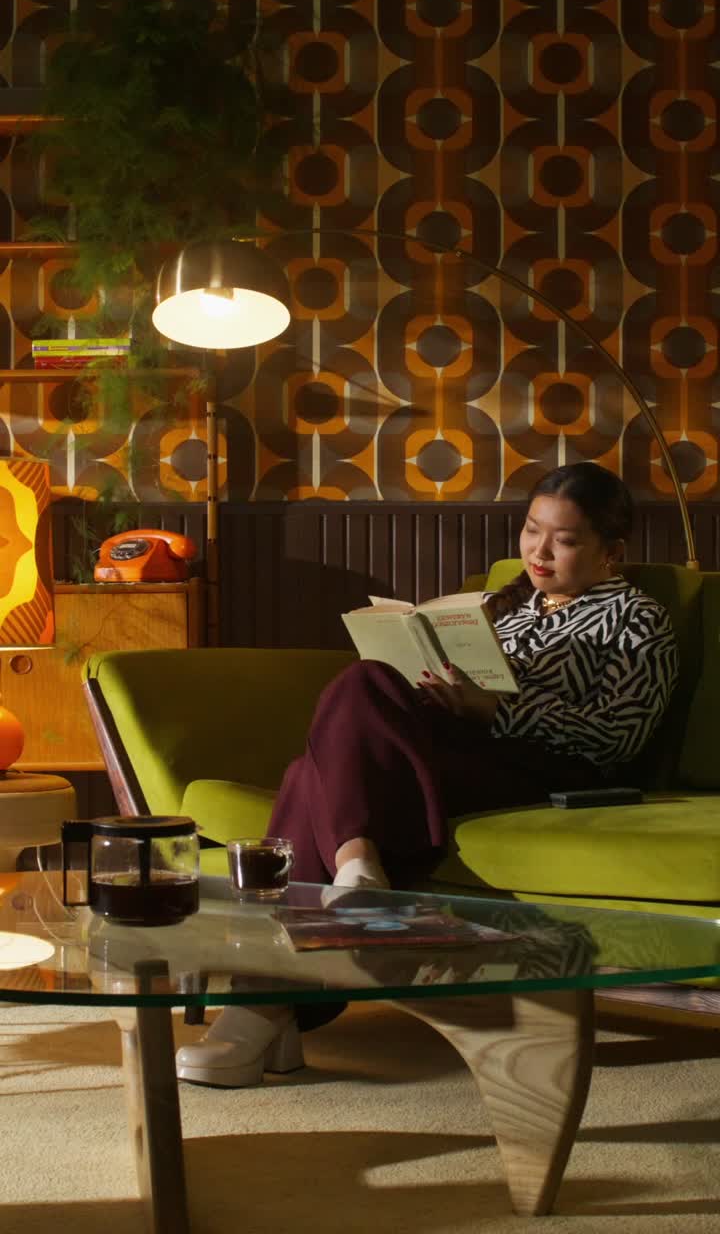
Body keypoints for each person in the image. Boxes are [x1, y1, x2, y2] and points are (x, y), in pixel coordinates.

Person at [176, 461, 679, 1087]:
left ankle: (264, 999)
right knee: (365, 682)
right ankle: (352, 886)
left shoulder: (636, 619)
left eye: (566, 540)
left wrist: (502, 707)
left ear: (612, 553)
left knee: (308, 774)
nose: (540, 552)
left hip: (546, 769)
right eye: (531, 531)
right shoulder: (504, 609)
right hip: (456, 744)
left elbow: (619, 738)